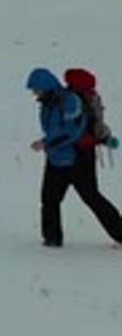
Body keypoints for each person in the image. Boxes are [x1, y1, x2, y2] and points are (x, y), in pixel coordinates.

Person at [26, 67, 122, 247]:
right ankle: (52, 240)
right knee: (49, 199)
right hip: (57, 158)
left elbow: (72, 132)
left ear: (46, 86)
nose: (34, 93)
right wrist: (48, 144)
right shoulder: (48, 104)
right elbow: (55, 130)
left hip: (79, 158)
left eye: (36, 89)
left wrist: (46, 143)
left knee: (92, 197)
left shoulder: (70, 101)